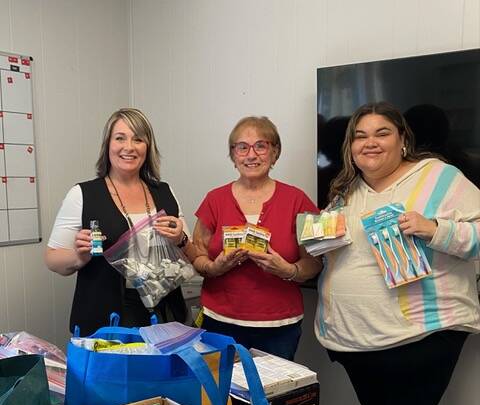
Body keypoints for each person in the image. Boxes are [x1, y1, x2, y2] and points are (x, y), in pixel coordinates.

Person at [315, 102, 480, 405]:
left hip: (421, 334)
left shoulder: (438, 177)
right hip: (355, 335)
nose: (369, 142)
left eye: (381, 132)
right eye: (360, 135)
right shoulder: (346, 189)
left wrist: (435, 228)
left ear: (403, 139)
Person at [45, 108, 196, 335]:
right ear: (107, 145)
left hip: (165, 317)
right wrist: (79, 257)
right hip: (107, 322)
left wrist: (180, 239)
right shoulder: (83, 194)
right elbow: (52, 259)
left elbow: (191, 254)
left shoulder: (165, 192)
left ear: (148, 147)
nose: (129, 147)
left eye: (138, 139)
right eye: (120, 138)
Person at [192, 116, 322, 360]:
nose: (251, 155)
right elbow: (196, 254)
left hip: (279, 327)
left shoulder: (298, 200)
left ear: (275, 152)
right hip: (219, 322)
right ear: (233, 155)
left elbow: (315, 262)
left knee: (274, 386)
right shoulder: (214, 200)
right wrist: (215, 267)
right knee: (222, 385)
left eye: (261, 146)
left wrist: (288, 270)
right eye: (242, 147)